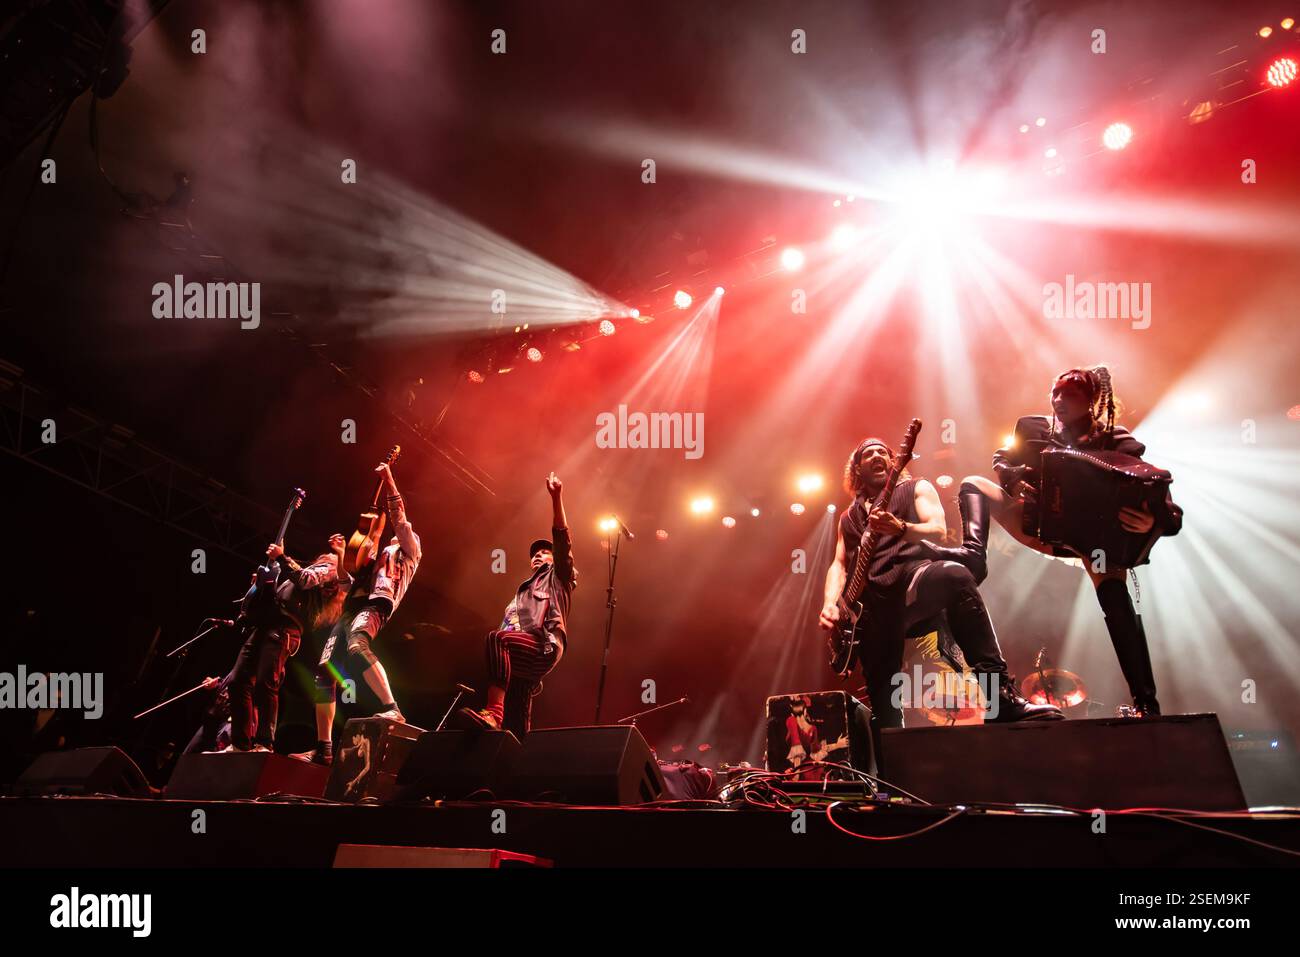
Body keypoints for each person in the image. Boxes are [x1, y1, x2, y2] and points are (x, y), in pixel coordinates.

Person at [920, 366, 1181, 717]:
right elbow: (1003, 458)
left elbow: (1162, 499)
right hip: (1039, 527)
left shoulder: (1115, 441)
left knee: (1117, 604)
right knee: (972, 483)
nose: (1059, 400)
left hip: (1092, 542)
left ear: (1091, 401)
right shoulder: (1033, 429)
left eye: (1069, 395)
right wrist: (1012, 479)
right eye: (1055, 393)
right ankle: (973, 554)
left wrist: (1154, 520)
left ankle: (1146, 702)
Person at [819, 437, 1062, 760]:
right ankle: (892, 770)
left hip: (911, 578)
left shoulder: (916, 487)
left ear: (894, 462)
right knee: (883, 696)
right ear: (857, 468)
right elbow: (839, 563)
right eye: (868, 453)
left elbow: (936, 529)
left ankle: (1000, 698)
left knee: (953, 575)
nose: (877, 455)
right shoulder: (848, 518)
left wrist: (900, 527)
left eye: (883, 452)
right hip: (872, 607)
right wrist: (830, 603)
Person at [296, 461, 421, 765]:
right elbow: (344, 581)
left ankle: (392, 707)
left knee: (357, 646)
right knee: (325, 673)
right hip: (352, 607)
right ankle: (323, 749)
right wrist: (341, 555)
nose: (395, 533)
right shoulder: (375, 555)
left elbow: (398, 517)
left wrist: (389, 479)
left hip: (377, 604)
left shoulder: (408, 550)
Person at [455, 472, 575, 737]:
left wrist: (556, 497)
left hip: (543, 644)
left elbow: (562, 538)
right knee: (517, 725)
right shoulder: (522, 592)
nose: (537, 556)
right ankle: (511, 766)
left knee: (498, 639)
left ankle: (493, 712)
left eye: (544, 552)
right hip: (524, 659)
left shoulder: (559, 577)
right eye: (534, 554)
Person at [221, 533, 348, 753]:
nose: (325, 554)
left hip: (285, 628)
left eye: (330, 555)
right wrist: (262, 584)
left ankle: (264, 743)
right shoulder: (301, 571)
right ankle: (240, 744)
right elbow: (288, 586)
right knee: (237, 680)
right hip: (267, 624)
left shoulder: (330, 569)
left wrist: (282, 557)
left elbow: (305, 579)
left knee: (266, 682)